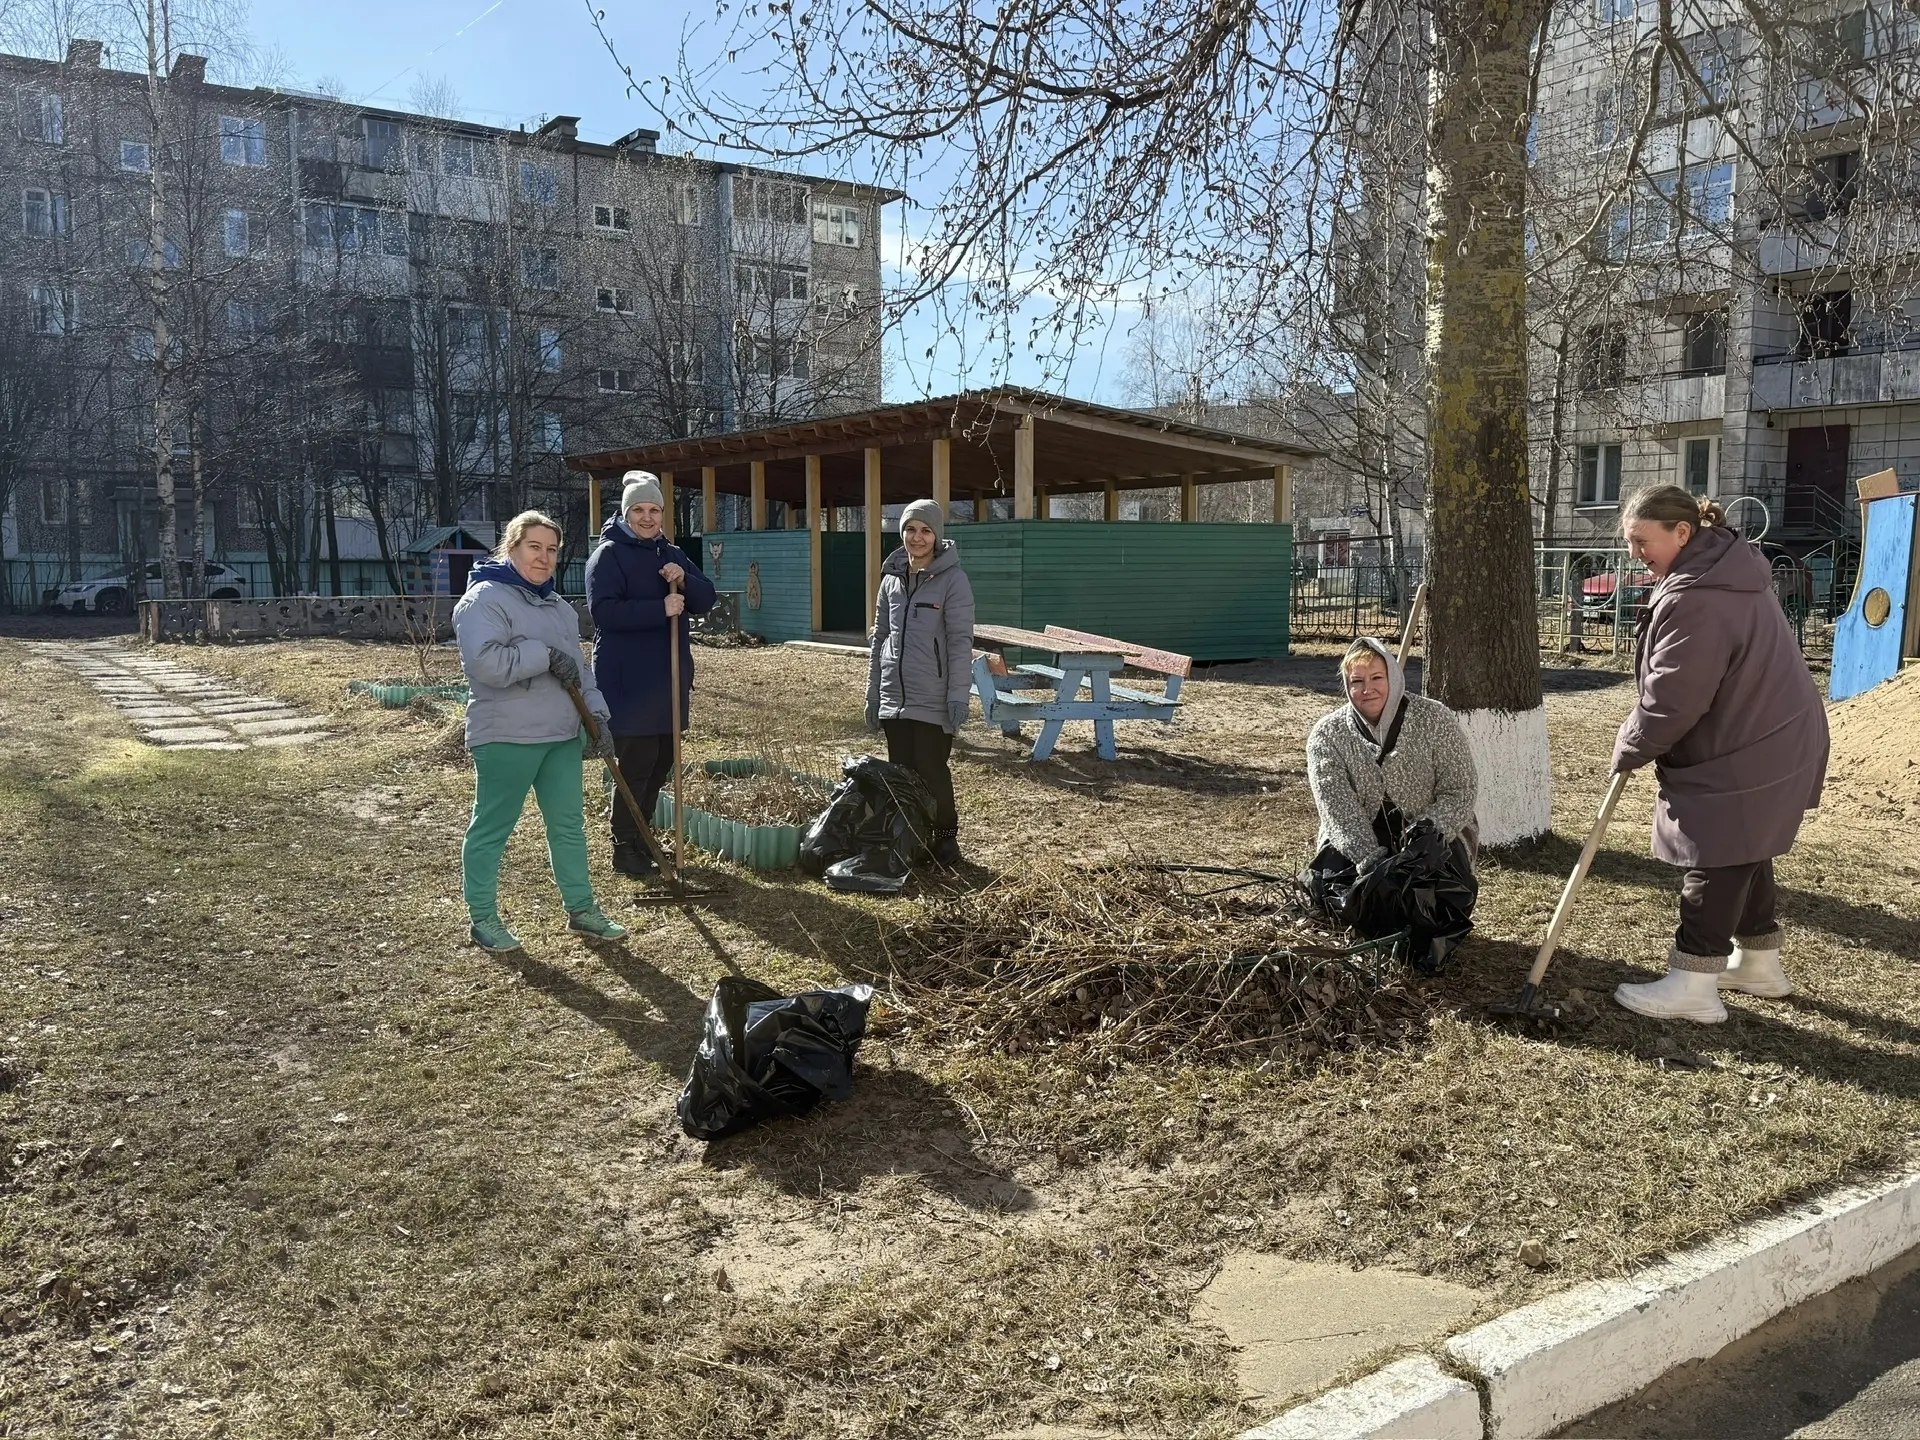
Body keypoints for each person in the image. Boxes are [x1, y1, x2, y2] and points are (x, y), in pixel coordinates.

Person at [1610, 486, 1829, 1023]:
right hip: (1770, 735)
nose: (1636, 553)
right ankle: (1759, 965)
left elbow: (1674, 697)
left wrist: (1631, 745)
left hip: (1755, 743)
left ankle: (1693, 984)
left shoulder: (1698, 596)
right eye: (1630, 542)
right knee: (1744, 844)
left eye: (1643, 541)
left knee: (1717, 849)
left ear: (1682, 533)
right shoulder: (1722, 573)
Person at [453, 510, 627, 950]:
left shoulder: (558, 607)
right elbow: (485, 664)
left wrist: (598, 716)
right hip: (507, 735)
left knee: (568, 826)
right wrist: (542, 656)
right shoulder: (484, 599)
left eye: (551, 549)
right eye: (534, 547)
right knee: (493, 828)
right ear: (511, 548)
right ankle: (483, 918)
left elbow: (581, 671)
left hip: (562, 735)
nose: (544, 557)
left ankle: (582, 909)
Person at [585, 471, 718, 877]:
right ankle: (624, 846)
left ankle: (642, 835)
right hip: (628, 681)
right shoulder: (608, 555)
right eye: (639, 510)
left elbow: (706, 597)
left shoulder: (670, 552)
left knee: (661, 762)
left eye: (654, 510)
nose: (647, 517)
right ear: (626, 513)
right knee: (638, 763)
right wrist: (657, 609)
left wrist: (684, 579)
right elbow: (602, 612)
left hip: (668, 680)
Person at [1306, 637, 1479, 872]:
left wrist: (1419, 846)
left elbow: (1460, 789)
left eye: (1377, 677)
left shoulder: (1435, 718)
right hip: (1356, 844)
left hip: (1434, 836)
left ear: (1393, 679)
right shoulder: (1327, 734)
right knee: (1344, 897)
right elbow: (1337, 808)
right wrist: (1372, 862)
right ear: (1347, 686)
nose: (1368, 690)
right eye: (1357, 681)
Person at [866, 498, 975, 867]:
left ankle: (946, 840)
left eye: (926, 530)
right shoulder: (891, 581)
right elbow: (880, 638)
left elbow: (960, 643)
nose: (918, 537)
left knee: (932, 770)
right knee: (901, 772)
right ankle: (913, 839)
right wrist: (873, 696)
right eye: (911, 529)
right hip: (894, 697)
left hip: (933, 696)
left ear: (937, 536)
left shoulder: (953, 581)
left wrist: (958, 696)